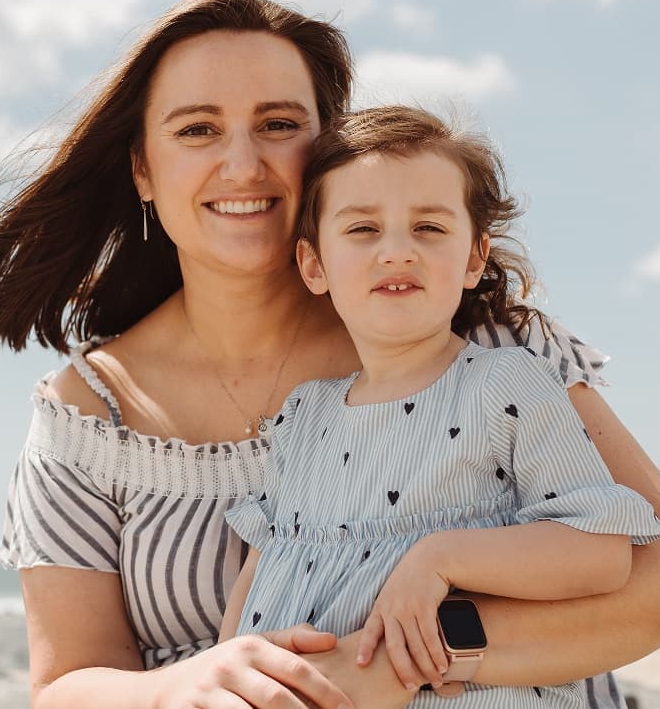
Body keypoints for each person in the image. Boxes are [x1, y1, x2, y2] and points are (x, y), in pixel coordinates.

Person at [0, 0, 660, 709]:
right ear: (143, 167)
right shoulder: (87, 417)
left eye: (278, 123)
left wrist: (401, 663)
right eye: (197, 129)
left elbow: (647, 575)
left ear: (327, 144)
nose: (242, 165)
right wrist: (181, 685)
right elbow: (65, 688)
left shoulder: (475, 341)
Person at [218, 105, 660, 707]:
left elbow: (601, 551)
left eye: (428, 228)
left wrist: (442, 556)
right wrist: (222, 673)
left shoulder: (508, 384)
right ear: (314, 264)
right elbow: (262, 570)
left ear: (475, 258)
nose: (397, 251)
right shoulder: (303, 416)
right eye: (362, 229)